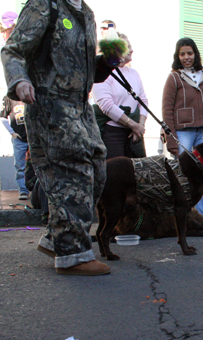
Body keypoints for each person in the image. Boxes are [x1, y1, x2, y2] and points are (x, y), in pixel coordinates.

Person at [1, 0, 117, 276]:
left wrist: (107, 63)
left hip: (80, 107)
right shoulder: (45, 4)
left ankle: (59, 239)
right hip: (50, 103)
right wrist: (19, 81)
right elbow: (14, 49)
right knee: (72, 170)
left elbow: (84, 70)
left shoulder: (85, 13)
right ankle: (73, 255)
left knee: (99, 168)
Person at [162, 37, 203, 224]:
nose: (186, 57)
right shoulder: (174, 77)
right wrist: (171, 139)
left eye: (190, 53)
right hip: (183, 132)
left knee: (202, 176)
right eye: (182, 54)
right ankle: (185, 217)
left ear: (195, 54)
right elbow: (167, 110)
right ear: (177, 56)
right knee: (184, 176)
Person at [92, 33, 147, 159]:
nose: (132, 50)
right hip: (112, 134)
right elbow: (107, 106)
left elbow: (143, 100)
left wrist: (140, 126)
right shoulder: (101, 73)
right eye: (127, 47)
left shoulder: (134, 73)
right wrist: (133, 125)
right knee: (115, 173)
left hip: (135, 133)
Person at [1, 96, 30, 200]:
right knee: (20, 166)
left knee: (40, 164)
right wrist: (12, 132)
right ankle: (23, 191)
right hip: (19, 138)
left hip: (34, 137)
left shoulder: (34, 92)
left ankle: (39, 192)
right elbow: (3, 117)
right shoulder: (9, 98)